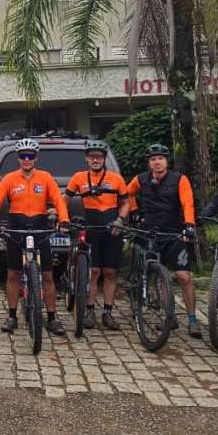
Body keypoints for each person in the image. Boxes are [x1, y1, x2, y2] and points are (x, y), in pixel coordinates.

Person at [0, 138, 70, 335]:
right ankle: (12, 315)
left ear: (35, 157)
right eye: (23, 156)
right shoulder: (9, 179)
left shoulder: (45, 177)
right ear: (18, 158)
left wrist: (63, 220)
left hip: (40, 226)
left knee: (48, 275)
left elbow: (58, 199)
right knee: (13, 273)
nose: (26, 159)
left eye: (30, 155)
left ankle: (51, 317)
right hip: (17, 228)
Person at [120, 144, 201, 338]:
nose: (157, 162)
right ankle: (169, 316)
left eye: (161, 159)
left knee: (184, 276)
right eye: (153, 159)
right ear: (149, 163)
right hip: (150, 232)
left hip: (173, 233)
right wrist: (134, 211)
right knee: (159, 274)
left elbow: (187, 202)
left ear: (167, 161)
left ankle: (192, 319)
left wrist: (189, 224)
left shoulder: (179, 179)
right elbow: (125, 193)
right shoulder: (141, 179)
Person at [64, 140, 127, 331]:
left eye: (99, 157)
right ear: (86, 159)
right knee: (93, 271)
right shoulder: (79, 177)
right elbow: (64, 200)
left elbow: (125, 203)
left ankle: (107, 312)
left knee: (110, 272)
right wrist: (60, 217)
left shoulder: (116, 179)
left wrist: (121, 219)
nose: (95, 160)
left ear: (104, 159)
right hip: (91, 226)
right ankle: (89, 310)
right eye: (92, 157)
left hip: (112, 227)